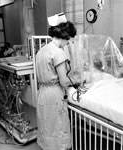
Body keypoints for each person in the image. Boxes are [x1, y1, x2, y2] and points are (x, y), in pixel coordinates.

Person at [35, 13, 77, 150]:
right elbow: (64, 81)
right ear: (65, 36)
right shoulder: (58, 53)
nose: (68, 43)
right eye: (69, 40)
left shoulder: (41, 51)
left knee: (46, 127)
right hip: (54, 94)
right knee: (58, 127)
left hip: (42, 93)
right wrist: (78, 80)